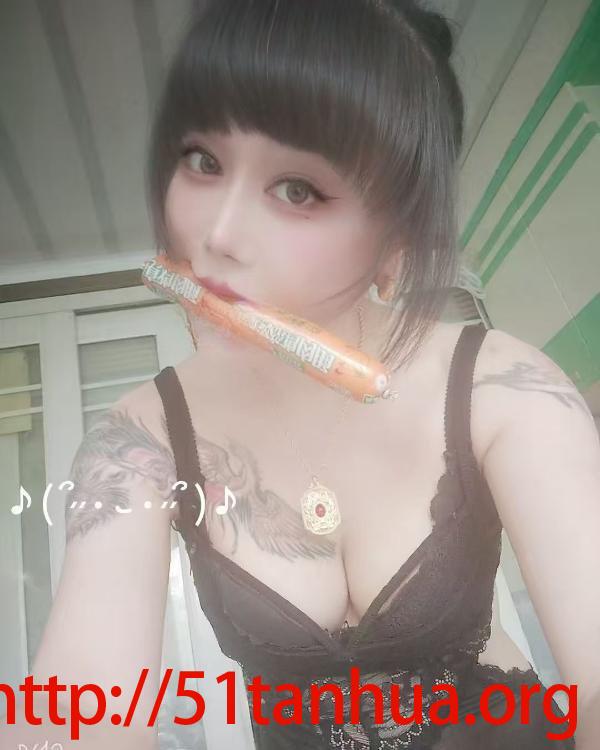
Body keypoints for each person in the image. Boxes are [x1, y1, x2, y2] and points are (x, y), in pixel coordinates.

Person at [17, 1, 600, 748]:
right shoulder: (138, 441)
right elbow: (77, 707)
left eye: (298, 189)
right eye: (203, 160)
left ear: (395, 238)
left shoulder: (502, 385)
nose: (215, 236)